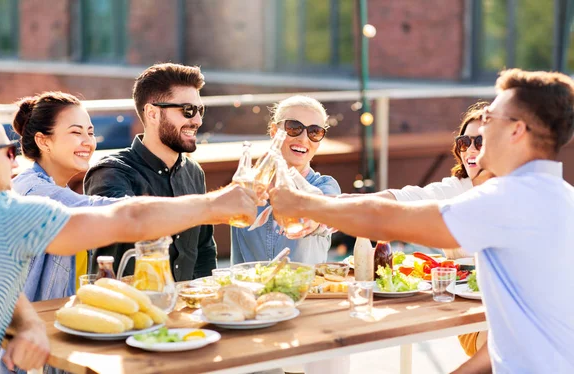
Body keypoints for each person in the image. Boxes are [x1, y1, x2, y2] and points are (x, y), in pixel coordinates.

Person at [270, 69, 574, 373]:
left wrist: (301, 203)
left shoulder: (508, 198)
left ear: (516, 131)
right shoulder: (560, 196)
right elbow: (511, 342)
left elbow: (385, 219)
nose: (480, 131)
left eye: (490, 119)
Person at [0, 95, 257, 374]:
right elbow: (128, 218)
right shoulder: (9, 206)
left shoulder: (3, 209)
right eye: (7, 152)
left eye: (90, 132)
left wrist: (29, 324)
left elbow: (3, 277)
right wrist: (215, 205)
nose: (14, 163)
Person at [84, 63, 216, 281]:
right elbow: (128, 222)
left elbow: (204, 250)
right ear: (153, 113)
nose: (198, 120)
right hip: (126, 309)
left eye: (200, 110)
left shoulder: (194, 172)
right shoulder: (110, 173)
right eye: (188, 111)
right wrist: (212, 205)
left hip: (184, 309)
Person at [10, 92, 122, 303]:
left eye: (90, 133)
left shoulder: (48, 186)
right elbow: (107, 211)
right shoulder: (34, 192)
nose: (88, 142)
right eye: (75, 132)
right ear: (43, 141)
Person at [231, 95, 341, 265]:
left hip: (303, 291)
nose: (304, 139)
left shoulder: (326, 186)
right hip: (251, 290)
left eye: (314, 132)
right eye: (294, 127)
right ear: (275, 132)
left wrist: (313, 219)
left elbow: (325, 212)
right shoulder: (247, 185)